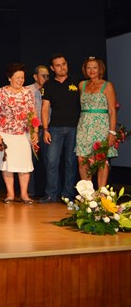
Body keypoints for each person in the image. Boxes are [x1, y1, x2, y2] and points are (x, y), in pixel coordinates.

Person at [0, 63, 38, 205]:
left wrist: (35, 131)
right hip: (6, 133)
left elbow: (33, 113)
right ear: (10, 78)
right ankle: (10, 193)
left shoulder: (27, 92)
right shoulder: (1, 92)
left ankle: (24, 194)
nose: (20, 80)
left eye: (22, 77)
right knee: (8, 165)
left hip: (23, 133)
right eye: (17, 77)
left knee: (24, 164)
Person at [39, 54, 80, 204]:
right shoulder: (48, 85)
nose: (62, 67)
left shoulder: (77, 81)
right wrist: (45, 129)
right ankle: (51, 194)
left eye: (64, 64)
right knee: (52, 162)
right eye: (58, 65)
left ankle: (67, 195)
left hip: (74, 128)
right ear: (52, 68)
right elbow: (44, 108)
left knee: (71, 162)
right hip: (55, 128)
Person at [75, 57, 118, 188]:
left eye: (95, 67)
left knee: (101, 160)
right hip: (84, 126)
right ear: (85, 70)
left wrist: (112, 132)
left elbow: (112, 110)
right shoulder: (82, 85)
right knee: (82, 159)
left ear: (100, 69)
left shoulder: (107, 85)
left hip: (101, 126)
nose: (92, 70)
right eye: (89, 68)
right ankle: (88, 195)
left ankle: (101, 194)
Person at [25, 64, 49, 197]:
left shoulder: (51, 89)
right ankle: (30, 192)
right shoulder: (27, 90)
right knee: (29, 162)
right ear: (35, 76)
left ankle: (48, 192)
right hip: (31, 130)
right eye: (43, 75)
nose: (46, 78)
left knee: (48, 161)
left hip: (46, 129)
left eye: (47, 76)